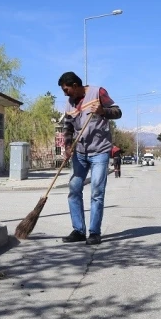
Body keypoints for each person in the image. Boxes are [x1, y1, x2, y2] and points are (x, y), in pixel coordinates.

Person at [58, 71, 122, 245]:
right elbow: (68, 127)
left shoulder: (98, 92)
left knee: (96, 192)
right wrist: (68, 146)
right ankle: (79, 230)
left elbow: (118, 112)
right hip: (80, 152)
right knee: (74, 189)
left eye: (66, 90)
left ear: (75, 86)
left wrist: (103, 111)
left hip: (100, 151)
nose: (65, 93)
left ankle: (94, 232)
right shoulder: (69, 102)